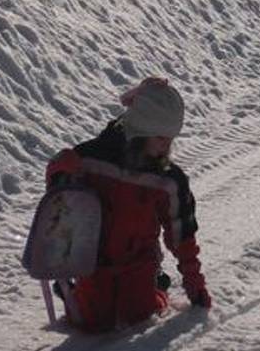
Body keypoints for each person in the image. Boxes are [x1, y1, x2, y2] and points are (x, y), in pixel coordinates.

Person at [45, 77, 212, 331]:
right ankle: (72, 290)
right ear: (140, 129)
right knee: (87, 322)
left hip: (139, 264)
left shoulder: (167, 179)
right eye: (160, 137)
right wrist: (58, 172)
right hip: (94, 265)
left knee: (137, 317)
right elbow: (60, 206)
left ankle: (157, 284)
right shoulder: (90, 161)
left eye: (170, 138)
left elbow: (182, 235)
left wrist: (195, 284)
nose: (167, 145)